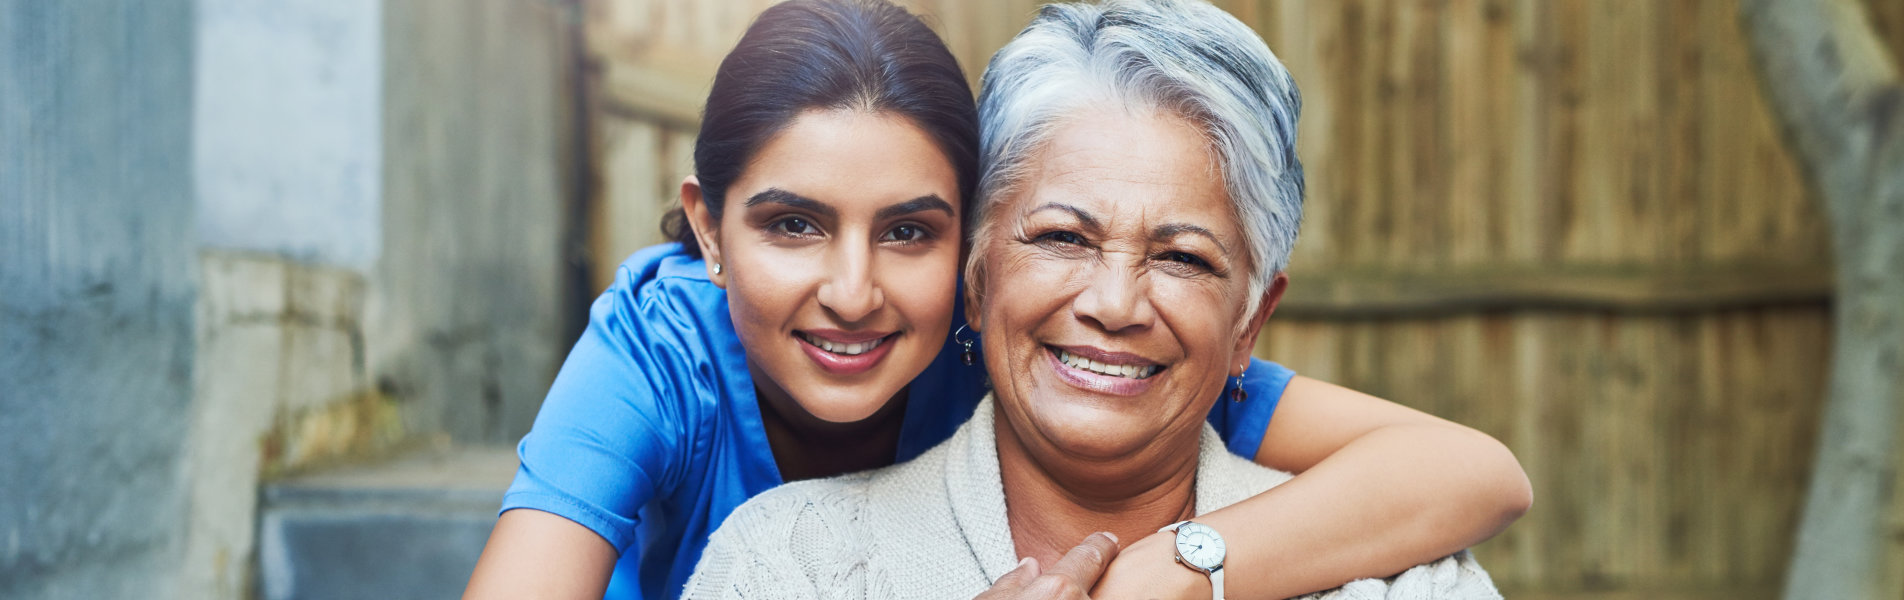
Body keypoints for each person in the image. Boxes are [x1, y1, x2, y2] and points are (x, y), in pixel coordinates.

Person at [466, 1, 1531, 598]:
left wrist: (1174, 575)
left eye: (908, 231)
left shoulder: (1115, 372)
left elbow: (1471, 470)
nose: (854, 290)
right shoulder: (670, 376)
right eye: (1062, 237)